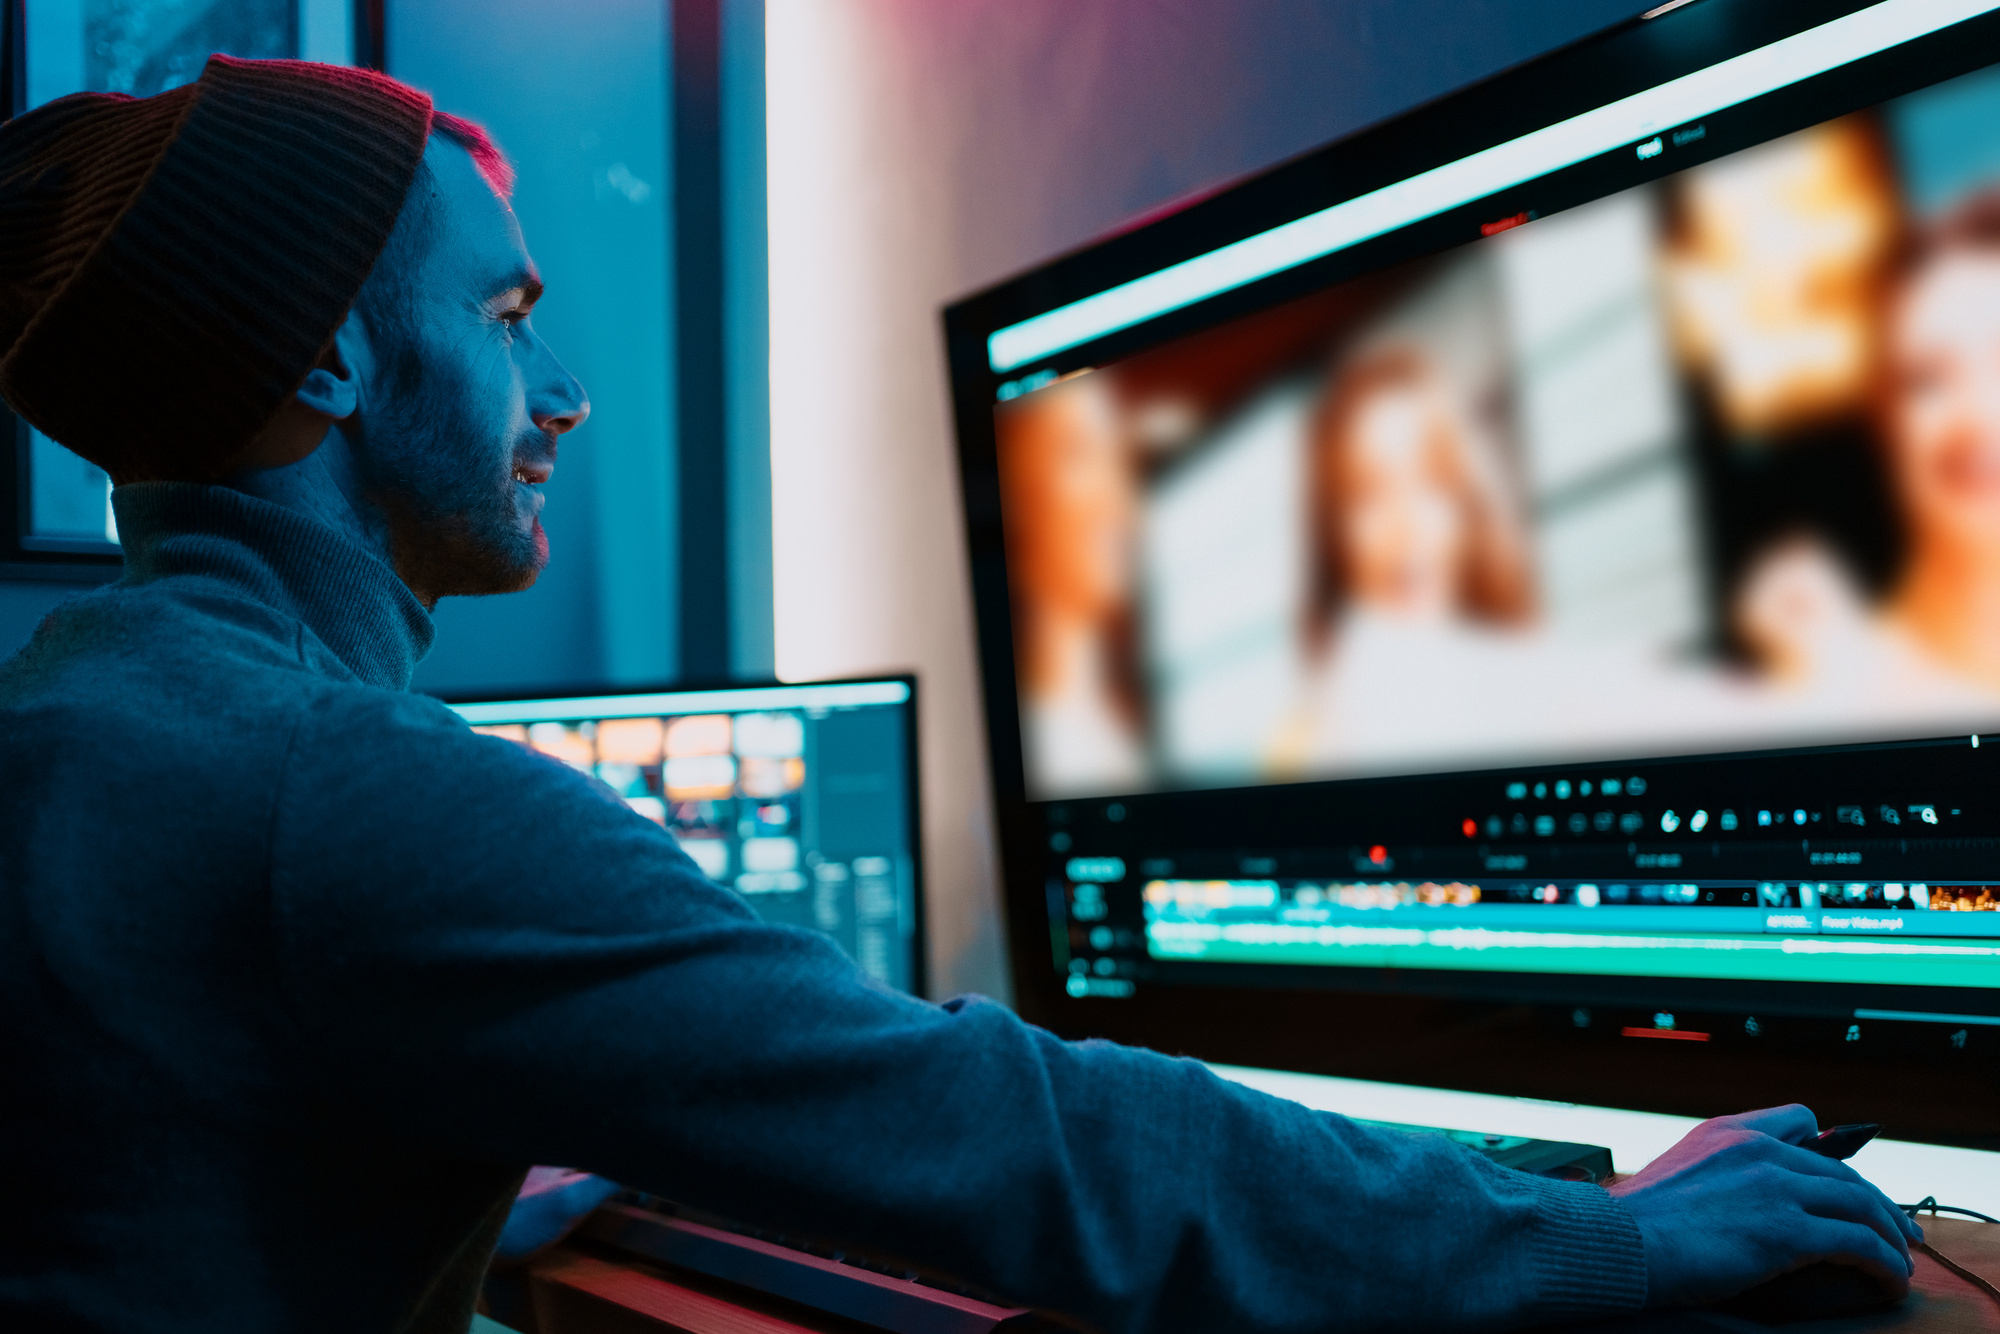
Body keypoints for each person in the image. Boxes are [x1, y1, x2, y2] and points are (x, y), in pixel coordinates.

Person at [0, 57, 1922, 1334]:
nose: (564, 395)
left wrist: (460, 1180)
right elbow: (1012, 1138)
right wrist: (1624, 1230)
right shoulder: (345, 791)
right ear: (331, 360)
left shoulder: (80, 709)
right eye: (507, 321)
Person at [994, 372, 1148, 796]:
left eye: (1117, 460)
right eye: (1077, 454)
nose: (1117, 499)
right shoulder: (1036, 739)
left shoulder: (1116, 728)